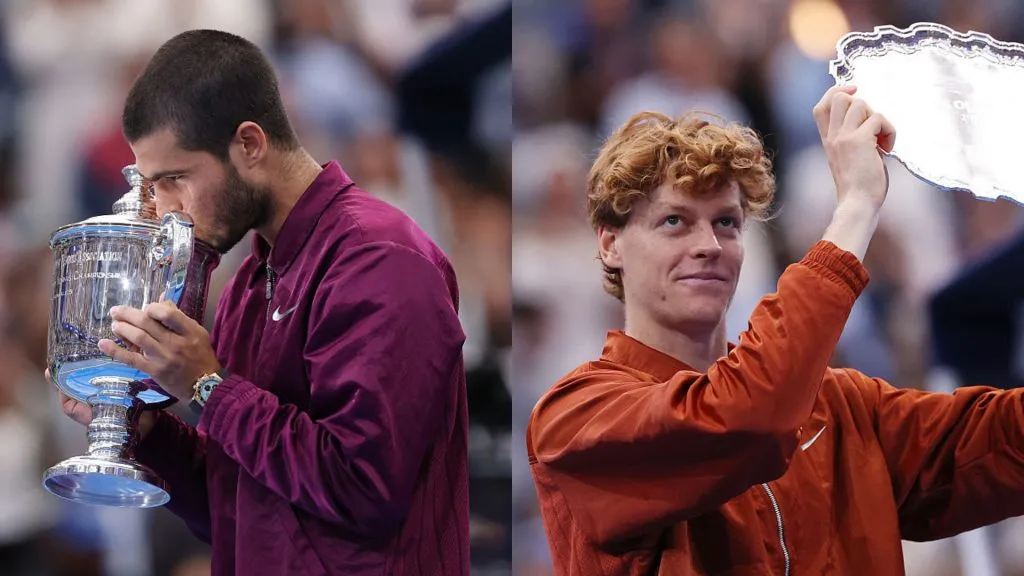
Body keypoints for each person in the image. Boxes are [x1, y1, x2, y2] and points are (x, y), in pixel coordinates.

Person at [526, 84, 1024, 574]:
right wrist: (855, 208)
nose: (709, 245)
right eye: (675, 222)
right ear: (611, 244)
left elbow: (1002, 440)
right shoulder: (574, 419)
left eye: (726, 223)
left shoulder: (837, 405)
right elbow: (743, 419)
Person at [55, 29, 469, 576]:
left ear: (249, 144)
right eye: (155, 188)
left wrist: (208, 387)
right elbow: (237, 510)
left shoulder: (380, 260)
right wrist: (148, 434)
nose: (169, 211)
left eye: (176, 179)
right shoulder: (251, 279)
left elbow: (365, 488)